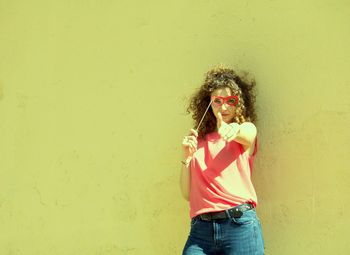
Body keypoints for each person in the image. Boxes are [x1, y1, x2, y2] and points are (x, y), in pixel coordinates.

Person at [180, 64, 265, 255]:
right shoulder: (199, 141)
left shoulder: (243, 131)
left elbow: (248, 133)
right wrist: (187, 157)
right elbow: (187, 193)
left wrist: (233, 130)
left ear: (239, 103)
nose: (224, 106)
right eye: (217, 101)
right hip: (201, 231)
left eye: (231, 100)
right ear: (208, 103)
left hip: (239, 225)